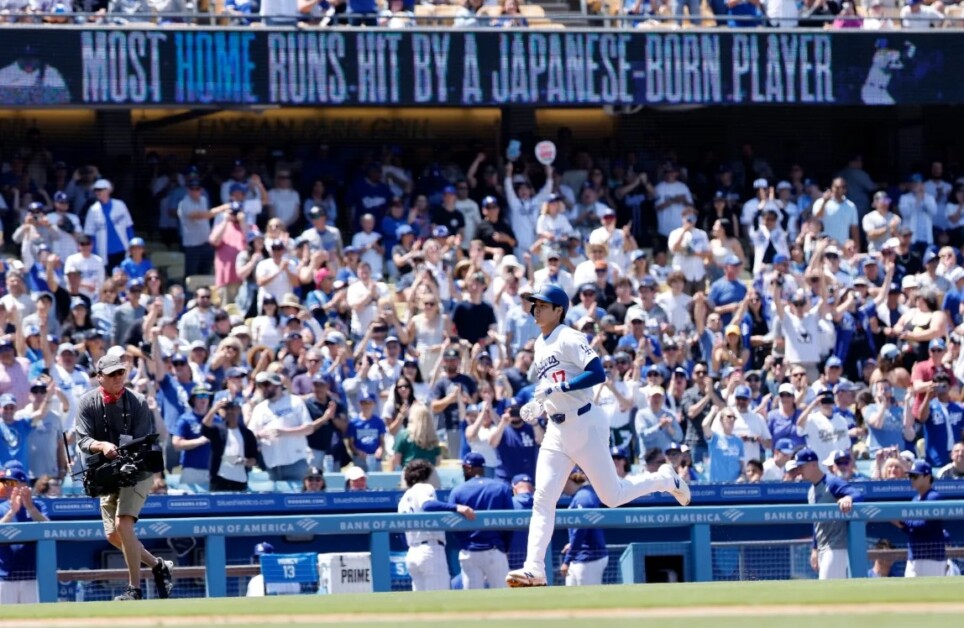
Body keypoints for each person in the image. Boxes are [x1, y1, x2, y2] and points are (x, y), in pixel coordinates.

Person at [505, 285, 689, 588]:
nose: (536, 308)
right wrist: (540, 404)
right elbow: (553, 384)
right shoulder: (539, 344)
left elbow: (597, 373)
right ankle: (533, 569)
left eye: (542, 304)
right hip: (556, 429)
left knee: (612, 497)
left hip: (585, 423)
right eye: (534, 304)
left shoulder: (570, 336)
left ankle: (665, 479)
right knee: (543, 499)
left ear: (559, 310)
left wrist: (558, 390)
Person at [73, 352, 174, 601]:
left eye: (121, 372)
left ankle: (134, 590)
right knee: (112, 535)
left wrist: (121, 456)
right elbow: (82, 440)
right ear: (99, 378)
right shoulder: (87, 402)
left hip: (137, 470)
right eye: (112, 374)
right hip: (106, 473)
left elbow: (142, 443)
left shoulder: (138, 401)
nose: (118, 377)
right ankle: (158, 565)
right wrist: (102, 445)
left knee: (123, 524)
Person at [788, 448, 858, 580]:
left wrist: (848, 498)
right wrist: (815, 548)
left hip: (837, 545)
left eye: (801, 466)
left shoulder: (831, 482)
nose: (799, 470)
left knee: (828, 587)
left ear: (813, 464)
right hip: (823, 547)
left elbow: (857, 494)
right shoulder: (810, 491)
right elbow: (816, 522)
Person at [446, 452, 512, 590]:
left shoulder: (458, 490)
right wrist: (505, 547)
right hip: (495, 550)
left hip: (469, 551)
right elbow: (509, 523)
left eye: (464, 467)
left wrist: (464, 543)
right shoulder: (501, 487)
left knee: (471, 600)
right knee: (504, 597)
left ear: (469, 468)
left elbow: (451, 524)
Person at [397, 459, 453, 592]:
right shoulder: (424, 487)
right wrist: (457, 508)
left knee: (421, 604)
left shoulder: (403, 498)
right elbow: (428, 505)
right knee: (440, 600)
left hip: (412, 552)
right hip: (430, 550)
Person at [0, 463, 48, 604]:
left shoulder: (38, 506)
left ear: (23, 485)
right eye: (5, 482)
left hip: (30, 575)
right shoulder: (1, 507)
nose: (7, 486)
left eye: (11, 482)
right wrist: (12, 512)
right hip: (5, 575)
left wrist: (30, 508)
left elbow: (49, 528)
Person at [894, 461, 948, 578]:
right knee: (910, 595)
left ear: (927, 477)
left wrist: (904, 521)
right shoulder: (915, 499)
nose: (911, 479)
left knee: (935, 595)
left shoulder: (934, 497)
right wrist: (900, 524)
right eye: (910, 476)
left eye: (915, 476)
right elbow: (913, 530)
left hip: (932, 558)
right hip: (915, 555)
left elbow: (926, 525)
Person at [560, 467, 608, 587]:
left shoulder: (584, 497)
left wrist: (567, 560)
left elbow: (580, 531)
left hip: (589, 557)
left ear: (567, 480)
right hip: (580, 556)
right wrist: (572, 544)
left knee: (590, 599)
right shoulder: (581, 495)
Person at [200, 397, 258, 492]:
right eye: (227, 409)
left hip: (240, 480)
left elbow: (254, 459)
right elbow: (204, 427)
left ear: (239, 410)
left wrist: (244, 461)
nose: (230, 412)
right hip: (219, 480)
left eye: (233, 409)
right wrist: (214, 408)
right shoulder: (217, 430)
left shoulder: (247, 434)